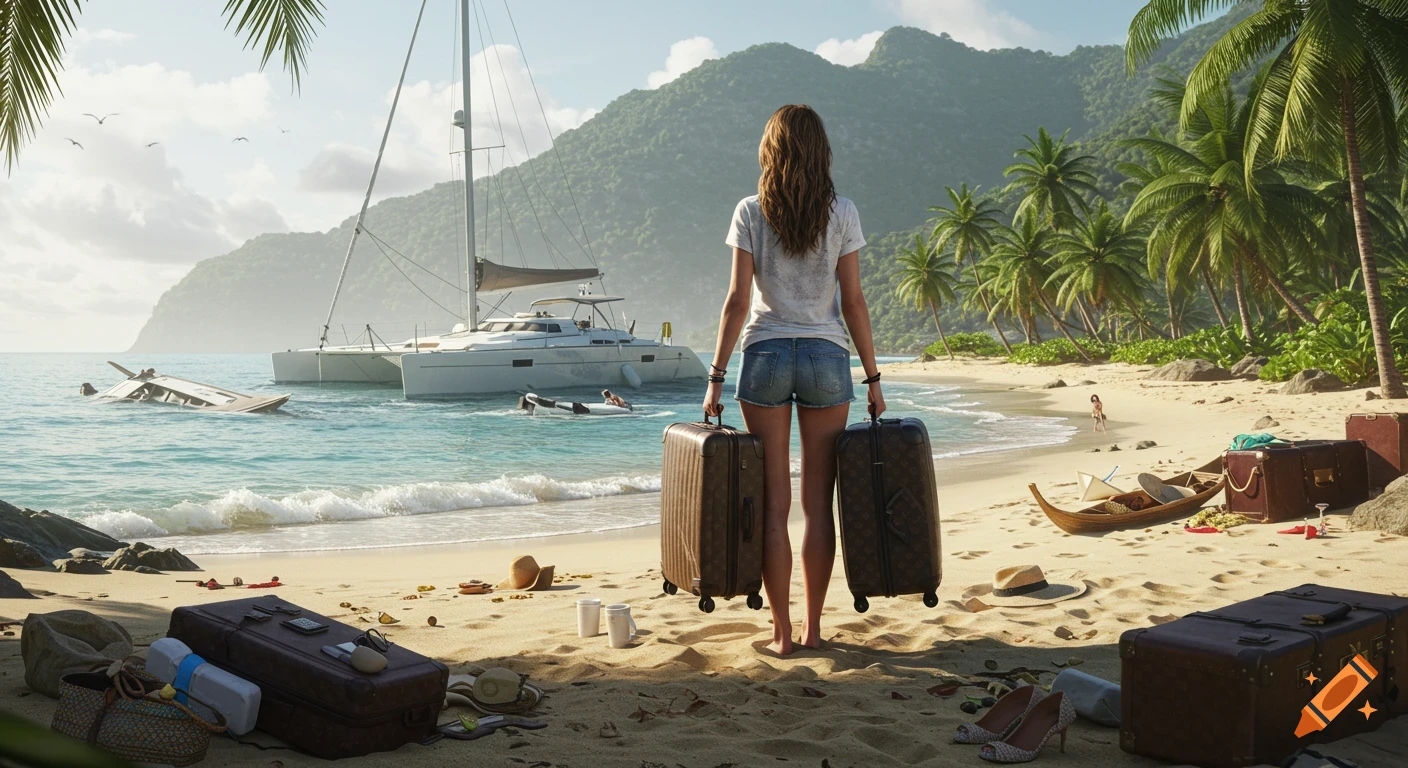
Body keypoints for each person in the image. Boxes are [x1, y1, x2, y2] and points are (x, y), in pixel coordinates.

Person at [703, 104, 884, 656]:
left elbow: (737, 302)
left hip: (765, 355)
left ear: (770, 150)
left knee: (775, 505)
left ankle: (781, 636)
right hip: (827, 358)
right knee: (818, 503)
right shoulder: (844, 212)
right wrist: (873, 377)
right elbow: (852, 302)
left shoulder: (750, 211)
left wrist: (714, 377)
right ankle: (814, 630)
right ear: (820, 151)